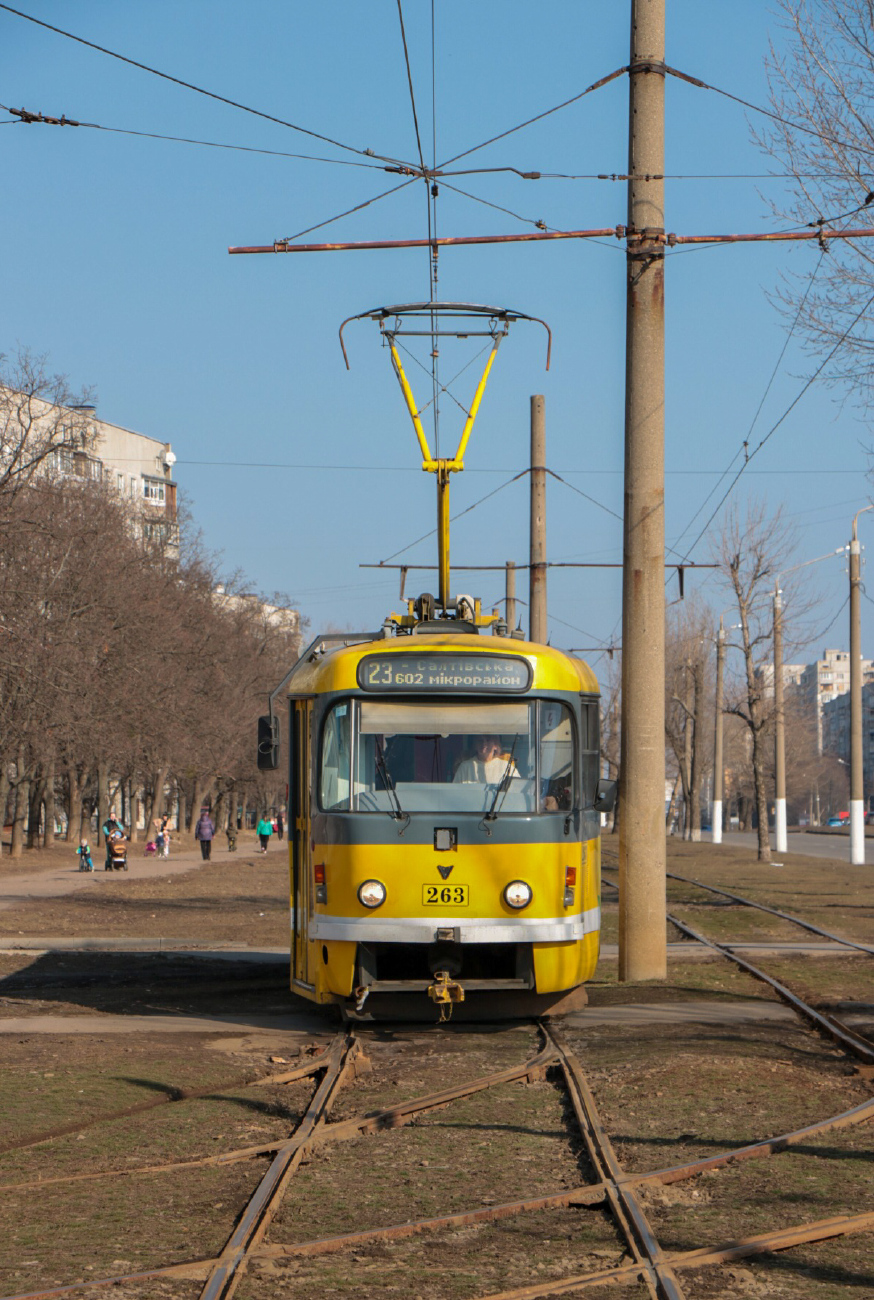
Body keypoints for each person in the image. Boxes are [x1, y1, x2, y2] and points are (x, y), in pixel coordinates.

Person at [454, 735, 519, 784]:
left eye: (488, 740)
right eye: (480, 740)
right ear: (475, 745)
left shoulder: (506, 767)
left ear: (496, 745)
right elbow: (454, 793)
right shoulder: (465, 767)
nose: (484, 744)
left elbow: (517, 789)